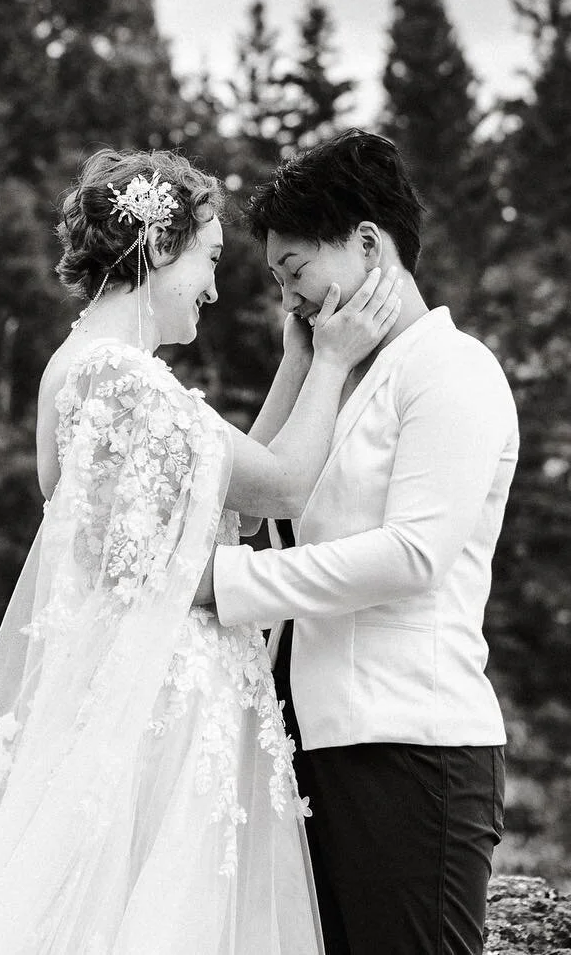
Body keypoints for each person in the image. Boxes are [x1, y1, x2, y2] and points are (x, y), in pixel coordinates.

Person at [0, 148, 403, 955]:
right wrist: (331, 359)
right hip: (169, 704)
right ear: (159, 248)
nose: (217, 288)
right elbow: (286, 488)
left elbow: (229, 499)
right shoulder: (130, 383)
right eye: (211, 258)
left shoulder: (73, 373)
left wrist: (294, 366)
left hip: (128, 685)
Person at [197, 129, 521, 955]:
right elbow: (248, 495)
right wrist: (302, 367)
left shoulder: (453, 370)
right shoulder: (338, 375)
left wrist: (231, 585)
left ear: (368, 245)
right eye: (278, 282)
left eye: (296, 270)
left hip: (415, 750)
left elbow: (413, 555)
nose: (289, 300)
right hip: (313, 745)